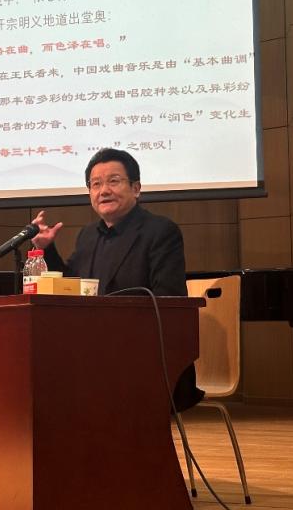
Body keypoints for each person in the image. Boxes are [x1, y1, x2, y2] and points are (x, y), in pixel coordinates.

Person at [31, 147, 204, 412]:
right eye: (95, 184)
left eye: (113, 181)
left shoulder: (160, 231)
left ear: (136, 188)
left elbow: (168, 302)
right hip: (93, 353)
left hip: (148, 356)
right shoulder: (88, 235)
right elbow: (71, 289)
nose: (104, 191)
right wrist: (47, 250)